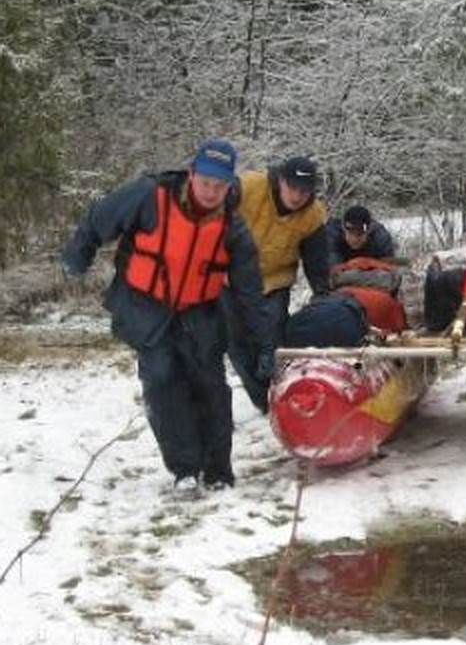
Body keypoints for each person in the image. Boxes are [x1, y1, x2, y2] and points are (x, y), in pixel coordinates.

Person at [61, 139, 274, 490]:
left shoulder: (232, 228)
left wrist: (264, 345)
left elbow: (250, 294)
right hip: (146, 306)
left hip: (200, 311)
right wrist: (77, 254)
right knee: (162, 383)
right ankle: (186, 470)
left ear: (229, 186)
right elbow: (100, 220)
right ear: (192, 175)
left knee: (211, 388)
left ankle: (218, 470)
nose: (211, 191)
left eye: (219, 185)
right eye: (205, 182)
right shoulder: (150, 196)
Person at [228, 154, 330, 411]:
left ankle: (285, 396)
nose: (297, 196)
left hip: (275, 280)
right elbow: (210, 212)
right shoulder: (249, 186)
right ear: (280, 180)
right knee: (237, 343)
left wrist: (322, 291)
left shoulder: (313, 214)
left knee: (272, 343)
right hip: (231, 278)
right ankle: (264, 402)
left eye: (305, 191)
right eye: (292, 187)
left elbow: (316, 258)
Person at [326, 204, 396, 266]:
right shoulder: (332, 236)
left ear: (369, 231)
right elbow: (330, 271)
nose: (354, 239)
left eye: (359, 235)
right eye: (350, 234)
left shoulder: (380, 239)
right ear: (343, 229)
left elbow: (390, 272)